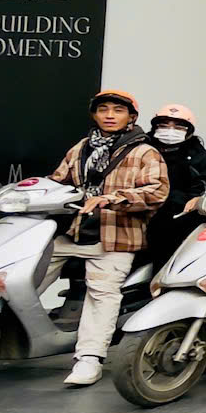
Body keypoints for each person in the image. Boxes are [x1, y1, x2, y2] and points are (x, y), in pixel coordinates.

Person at [40, 89, 168, 387]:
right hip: (73, 231)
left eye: (117, 110)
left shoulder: (144, 151)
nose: (109, 115)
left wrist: (112, 198)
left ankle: (90, 358)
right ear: (94, 115)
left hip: (115, 236)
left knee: (102, 293)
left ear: (131, 117)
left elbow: (157, 191)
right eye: (103, 109)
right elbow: (57, 181)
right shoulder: (81, 148)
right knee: (23, 274)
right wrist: (22, 191)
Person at [140, 102, 206, 273]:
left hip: (176, 219)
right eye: (164, 125)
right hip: (138, 211)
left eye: (178, 126)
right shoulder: (140, 150)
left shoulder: (200, 157)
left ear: (189, 130)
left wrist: (195, 199)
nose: (170, 130)